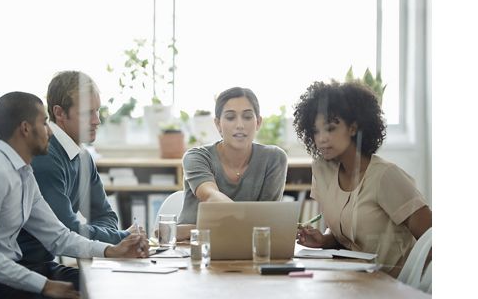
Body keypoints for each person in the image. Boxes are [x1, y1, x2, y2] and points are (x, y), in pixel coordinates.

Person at [0, 92, 149, 299]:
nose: (50, 132)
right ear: (26, 128)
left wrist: (112, 250)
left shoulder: (25, 175)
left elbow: (58, 236)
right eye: (45, 123)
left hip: (18, 274)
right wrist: (44, 285)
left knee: (103, 282)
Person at [293, 81, 432, 277]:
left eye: (330, 128)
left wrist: (415, 282)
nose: (321, 138)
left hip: (390, 285)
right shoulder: (322, 170)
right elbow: (346, 235)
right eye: (316, 131)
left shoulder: (385, 176)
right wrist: (324, 241)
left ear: (353, 127)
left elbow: (431, 237)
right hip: (350, 279)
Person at [17, 71, 142, 267]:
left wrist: (110, 236)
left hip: (40, 265)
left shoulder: (83, 157)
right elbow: (67, 230)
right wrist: (122, 237)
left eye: (97, 111)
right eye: (86, 113)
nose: (96, 121)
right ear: (59, 113)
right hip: (20, 267)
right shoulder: (45, 157)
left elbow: (105, 215)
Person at [177, 87, 288, 239]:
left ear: (258, 122)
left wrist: (191, 229)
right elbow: (211, 197)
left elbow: (266, 223)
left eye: (247, 117)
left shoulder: (274, 158)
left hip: (247, 247)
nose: (240, 125)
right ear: (217, 124)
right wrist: (248, 224)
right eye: (230, 117)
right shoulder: (197, 157)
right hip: (193, 247)